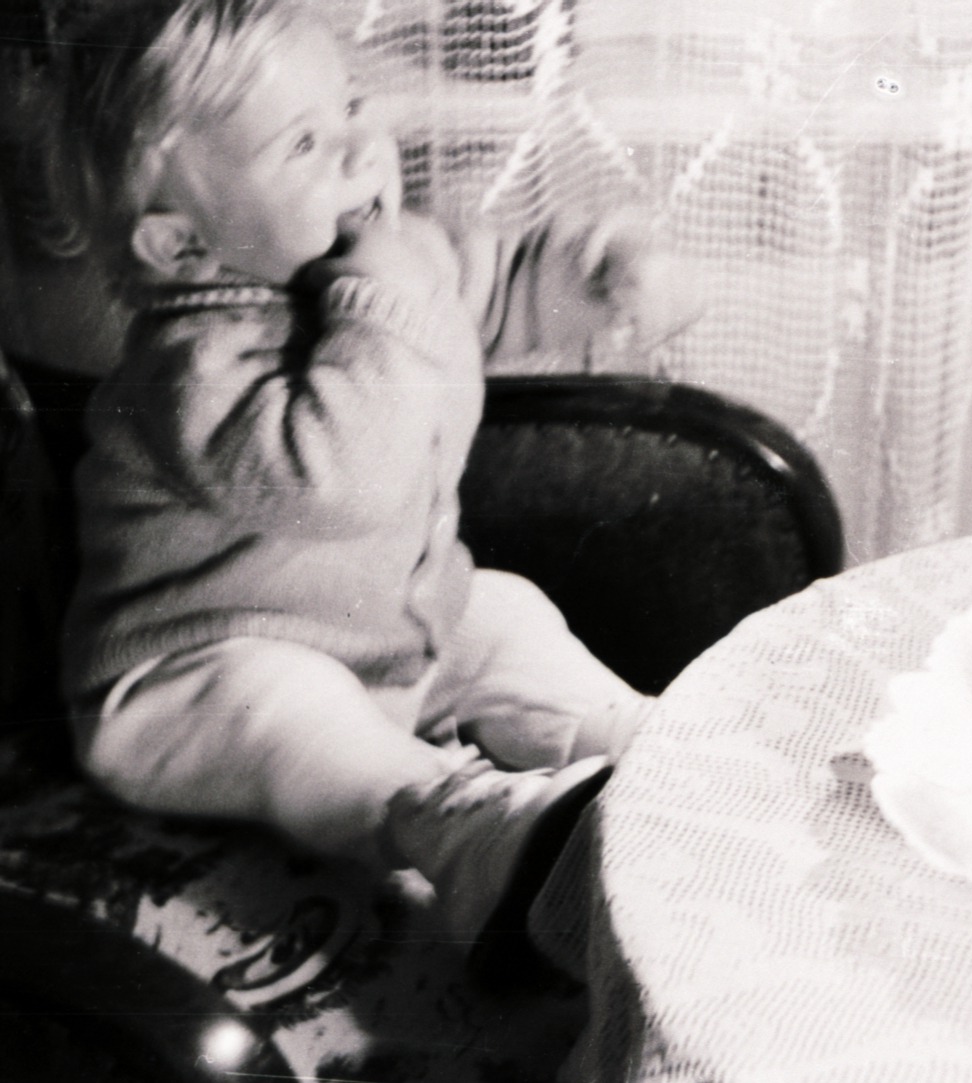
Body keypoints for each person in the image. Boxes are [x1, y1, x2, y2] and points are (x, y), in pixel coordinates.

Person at [42, 0, 668, 958]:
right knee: (287, 704)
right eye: (302, 144)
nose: (360, 150)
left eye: (352, 104)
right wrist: (381, 301)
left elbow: (491, 293)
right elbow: (341, 480)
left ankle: (645, 743)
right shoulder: (191, 364)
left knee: (500, 609)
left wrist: (595, 278)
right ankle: (461, 826)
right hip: (189, 687)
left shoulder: (389, 260)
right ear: (183, 246)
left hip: (385, 646)